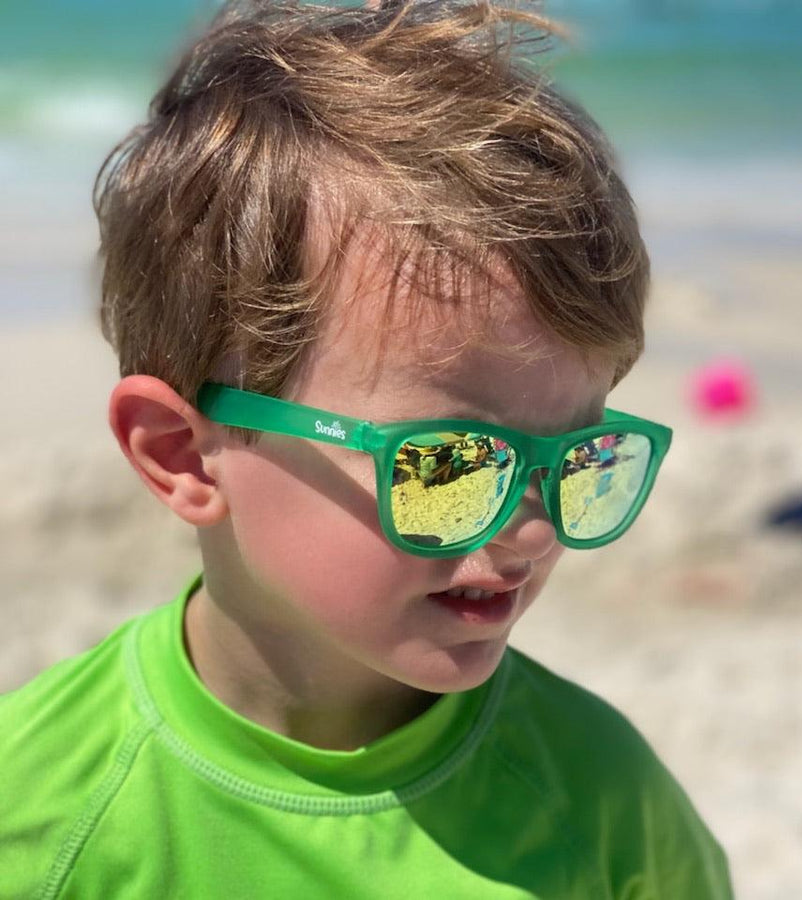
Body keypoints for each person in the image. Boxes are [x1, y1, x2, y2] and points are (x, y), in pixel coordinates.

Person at [0, 2, 733, 897]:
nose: (535, 533)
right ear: (183, 456)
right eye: (450, 463)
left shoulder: (605, 804)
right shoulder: (40, 816)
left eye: (578, 458)